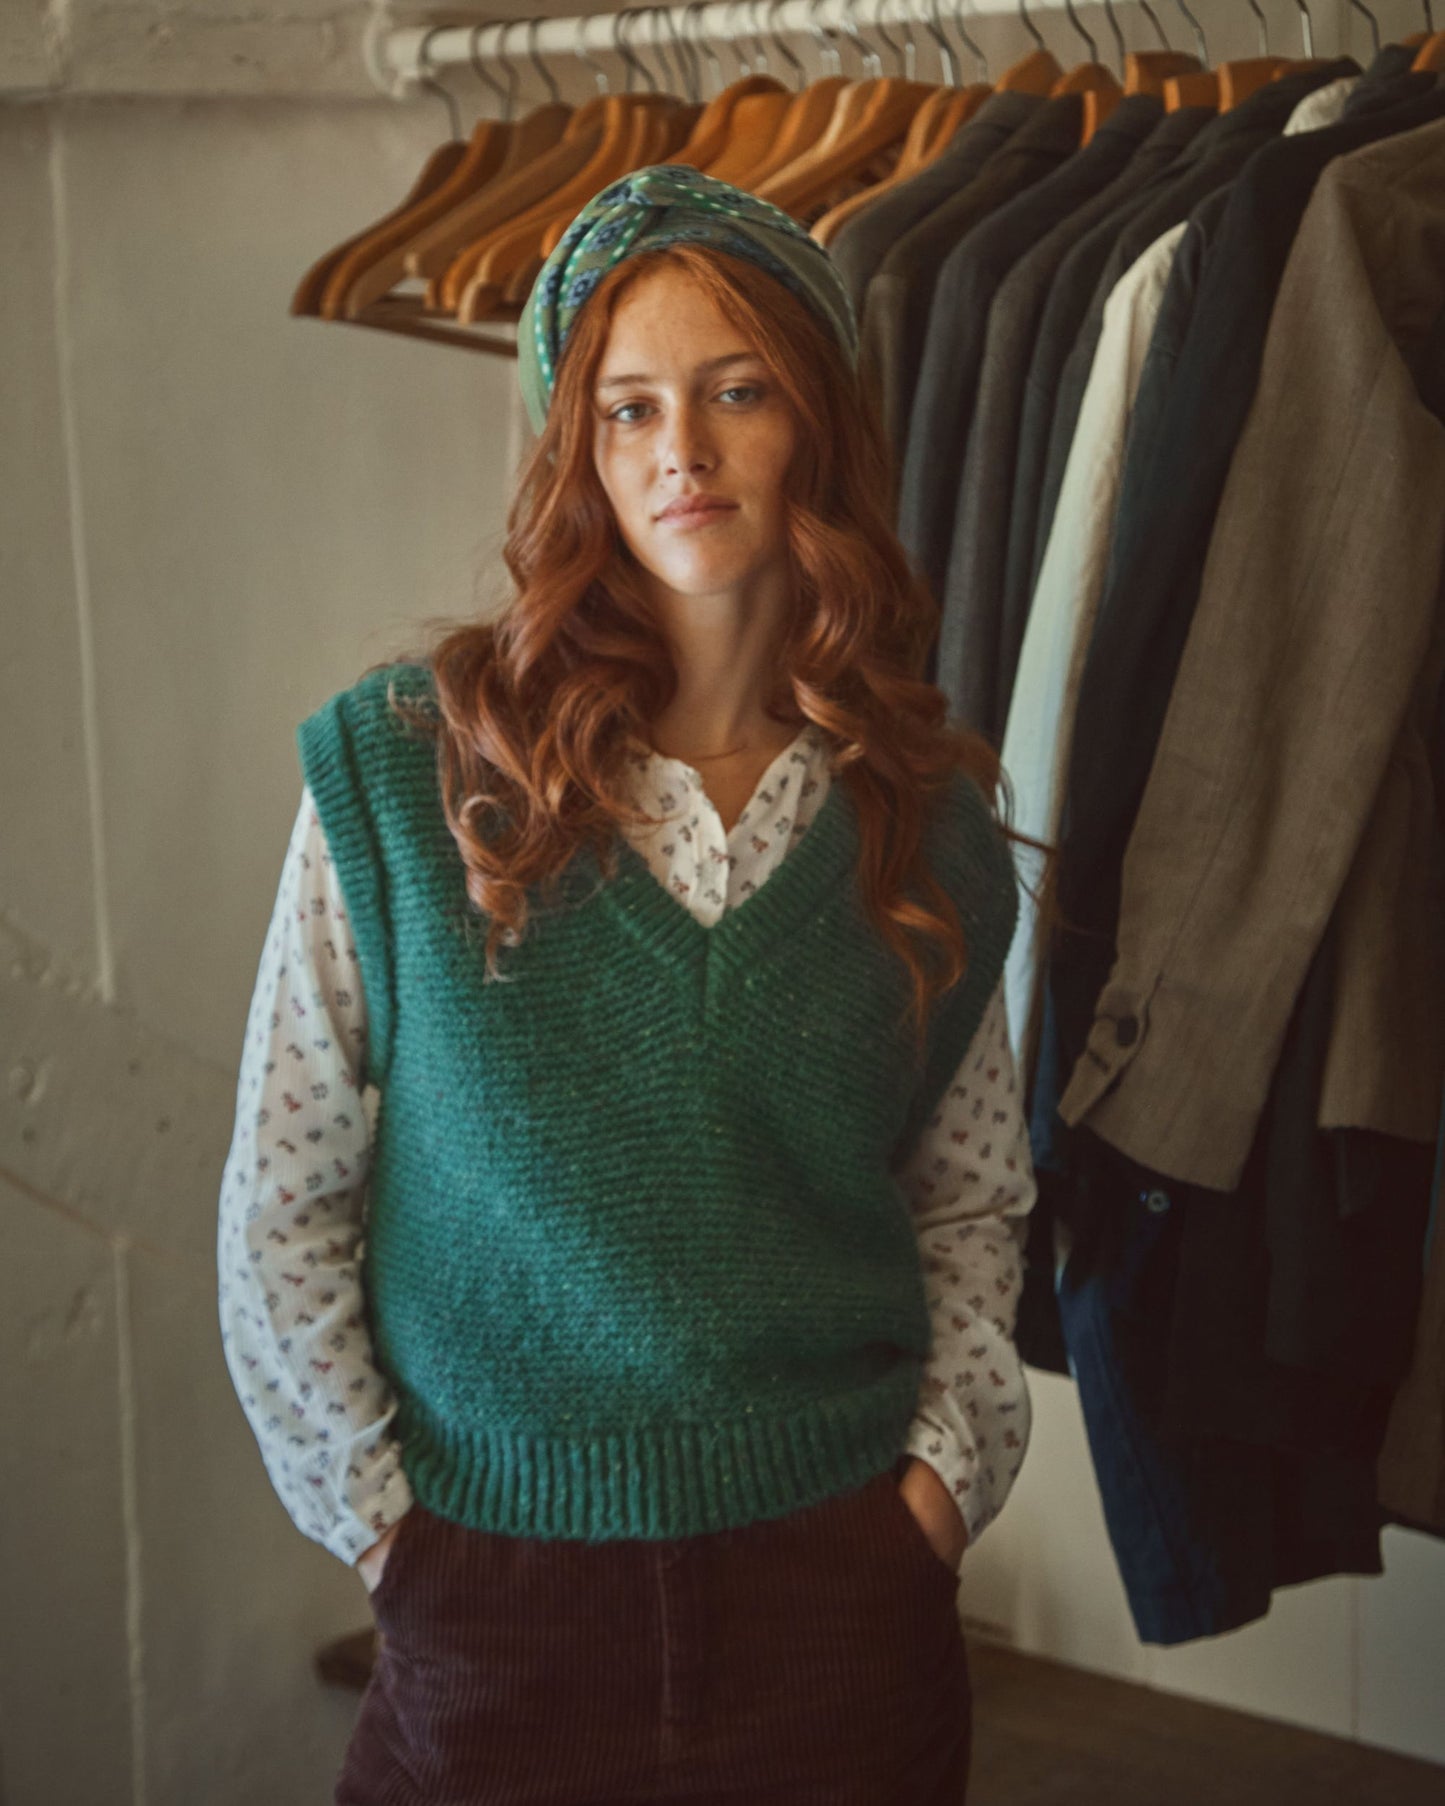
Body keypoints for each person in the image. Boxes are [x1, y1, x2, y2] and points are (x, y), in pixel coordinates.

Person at [217, 164, 1037, 1805]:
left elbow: (968, 1202)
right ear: (574, 448)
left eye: (736, 392)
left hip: (841, 1606)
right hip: (494, 1607)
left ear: (813, 422)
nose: (683, 450)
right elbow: (281, 1198)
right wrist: (386, 1529)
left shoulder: (921, 816)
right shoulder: (405, 776)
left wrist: (939, 1483)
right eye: (628, 407)